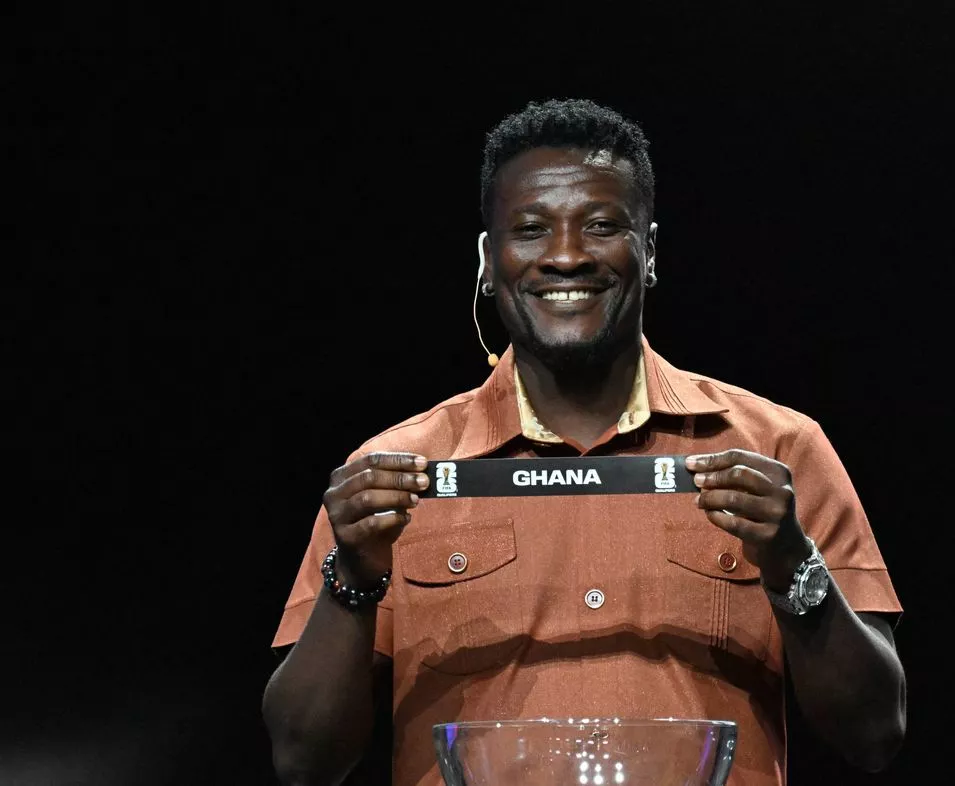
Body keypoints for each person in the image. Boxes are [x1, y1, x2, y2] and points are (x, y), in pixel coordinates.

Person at [262, 98, 906, 786]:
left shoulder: (779, 449)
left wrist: (790, 562)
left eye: (601, 226)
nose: (566, 256)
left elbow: (873, 735)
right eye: (532, 229)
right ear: (488, 258)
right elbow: (303, 760)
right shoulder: (392, 473)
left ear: (649, 251)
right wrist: (354, 580)